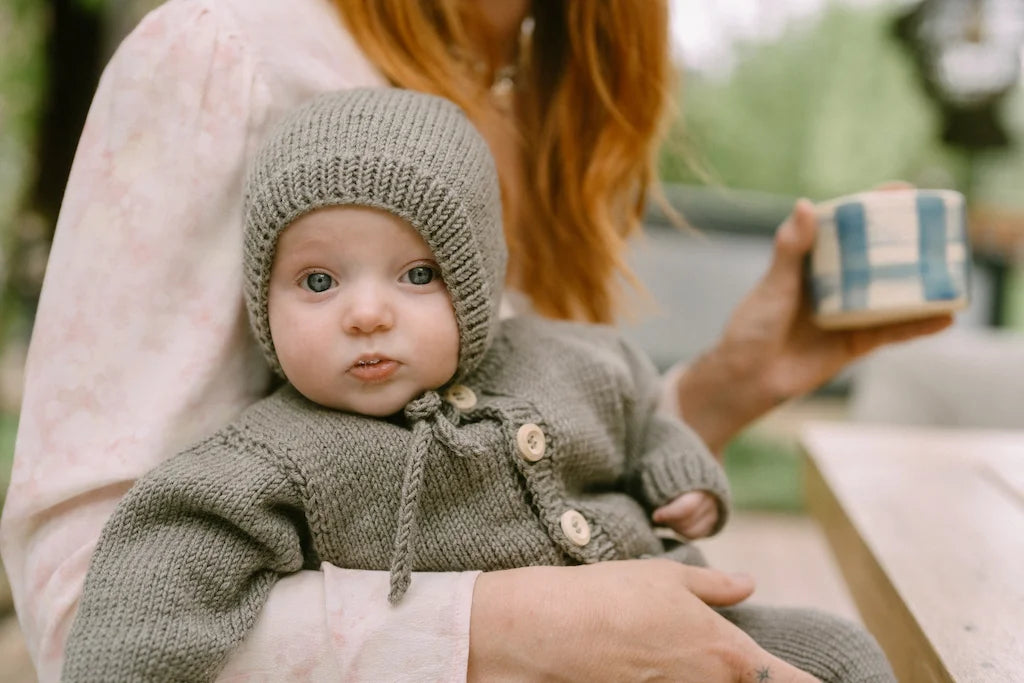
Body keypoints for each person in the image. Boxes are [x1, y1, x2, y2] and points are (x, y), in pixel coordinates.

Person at [0, 1, 946, 680]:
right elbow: (83, 607)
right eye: (322, 281)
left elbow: (520, 448)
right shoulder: (229, 55)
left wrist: (738, 380)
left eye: (417, 275)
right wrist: (505, 630)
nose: (374, 312)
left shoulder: (553, 95)